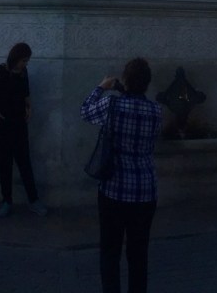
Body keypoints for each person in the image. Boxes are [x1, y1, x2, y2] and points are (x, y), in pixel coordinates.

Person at [81, 57, 162, 293]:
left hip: (114, 189)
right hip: (145, 190)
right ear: (147, 83)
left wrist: (101, 87)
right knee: (139, 254)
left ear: (125, 80)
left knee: (110, 251)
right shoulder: (156, 111)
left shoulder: (112, 106)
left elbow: (85, 111)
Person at [0, 42, 47, 218]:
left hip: (18, 122)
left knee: (24, 161)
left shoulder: (23, 73)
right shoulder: (1, 72)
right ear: (15, 58)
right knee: (5, 162)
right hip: (2, 122)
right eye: (23, 60)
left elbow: (26, 93)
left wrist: (29, 107)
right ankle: (7, 201)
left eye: (27, 61)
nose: (25, 64)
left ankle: (33, 200)